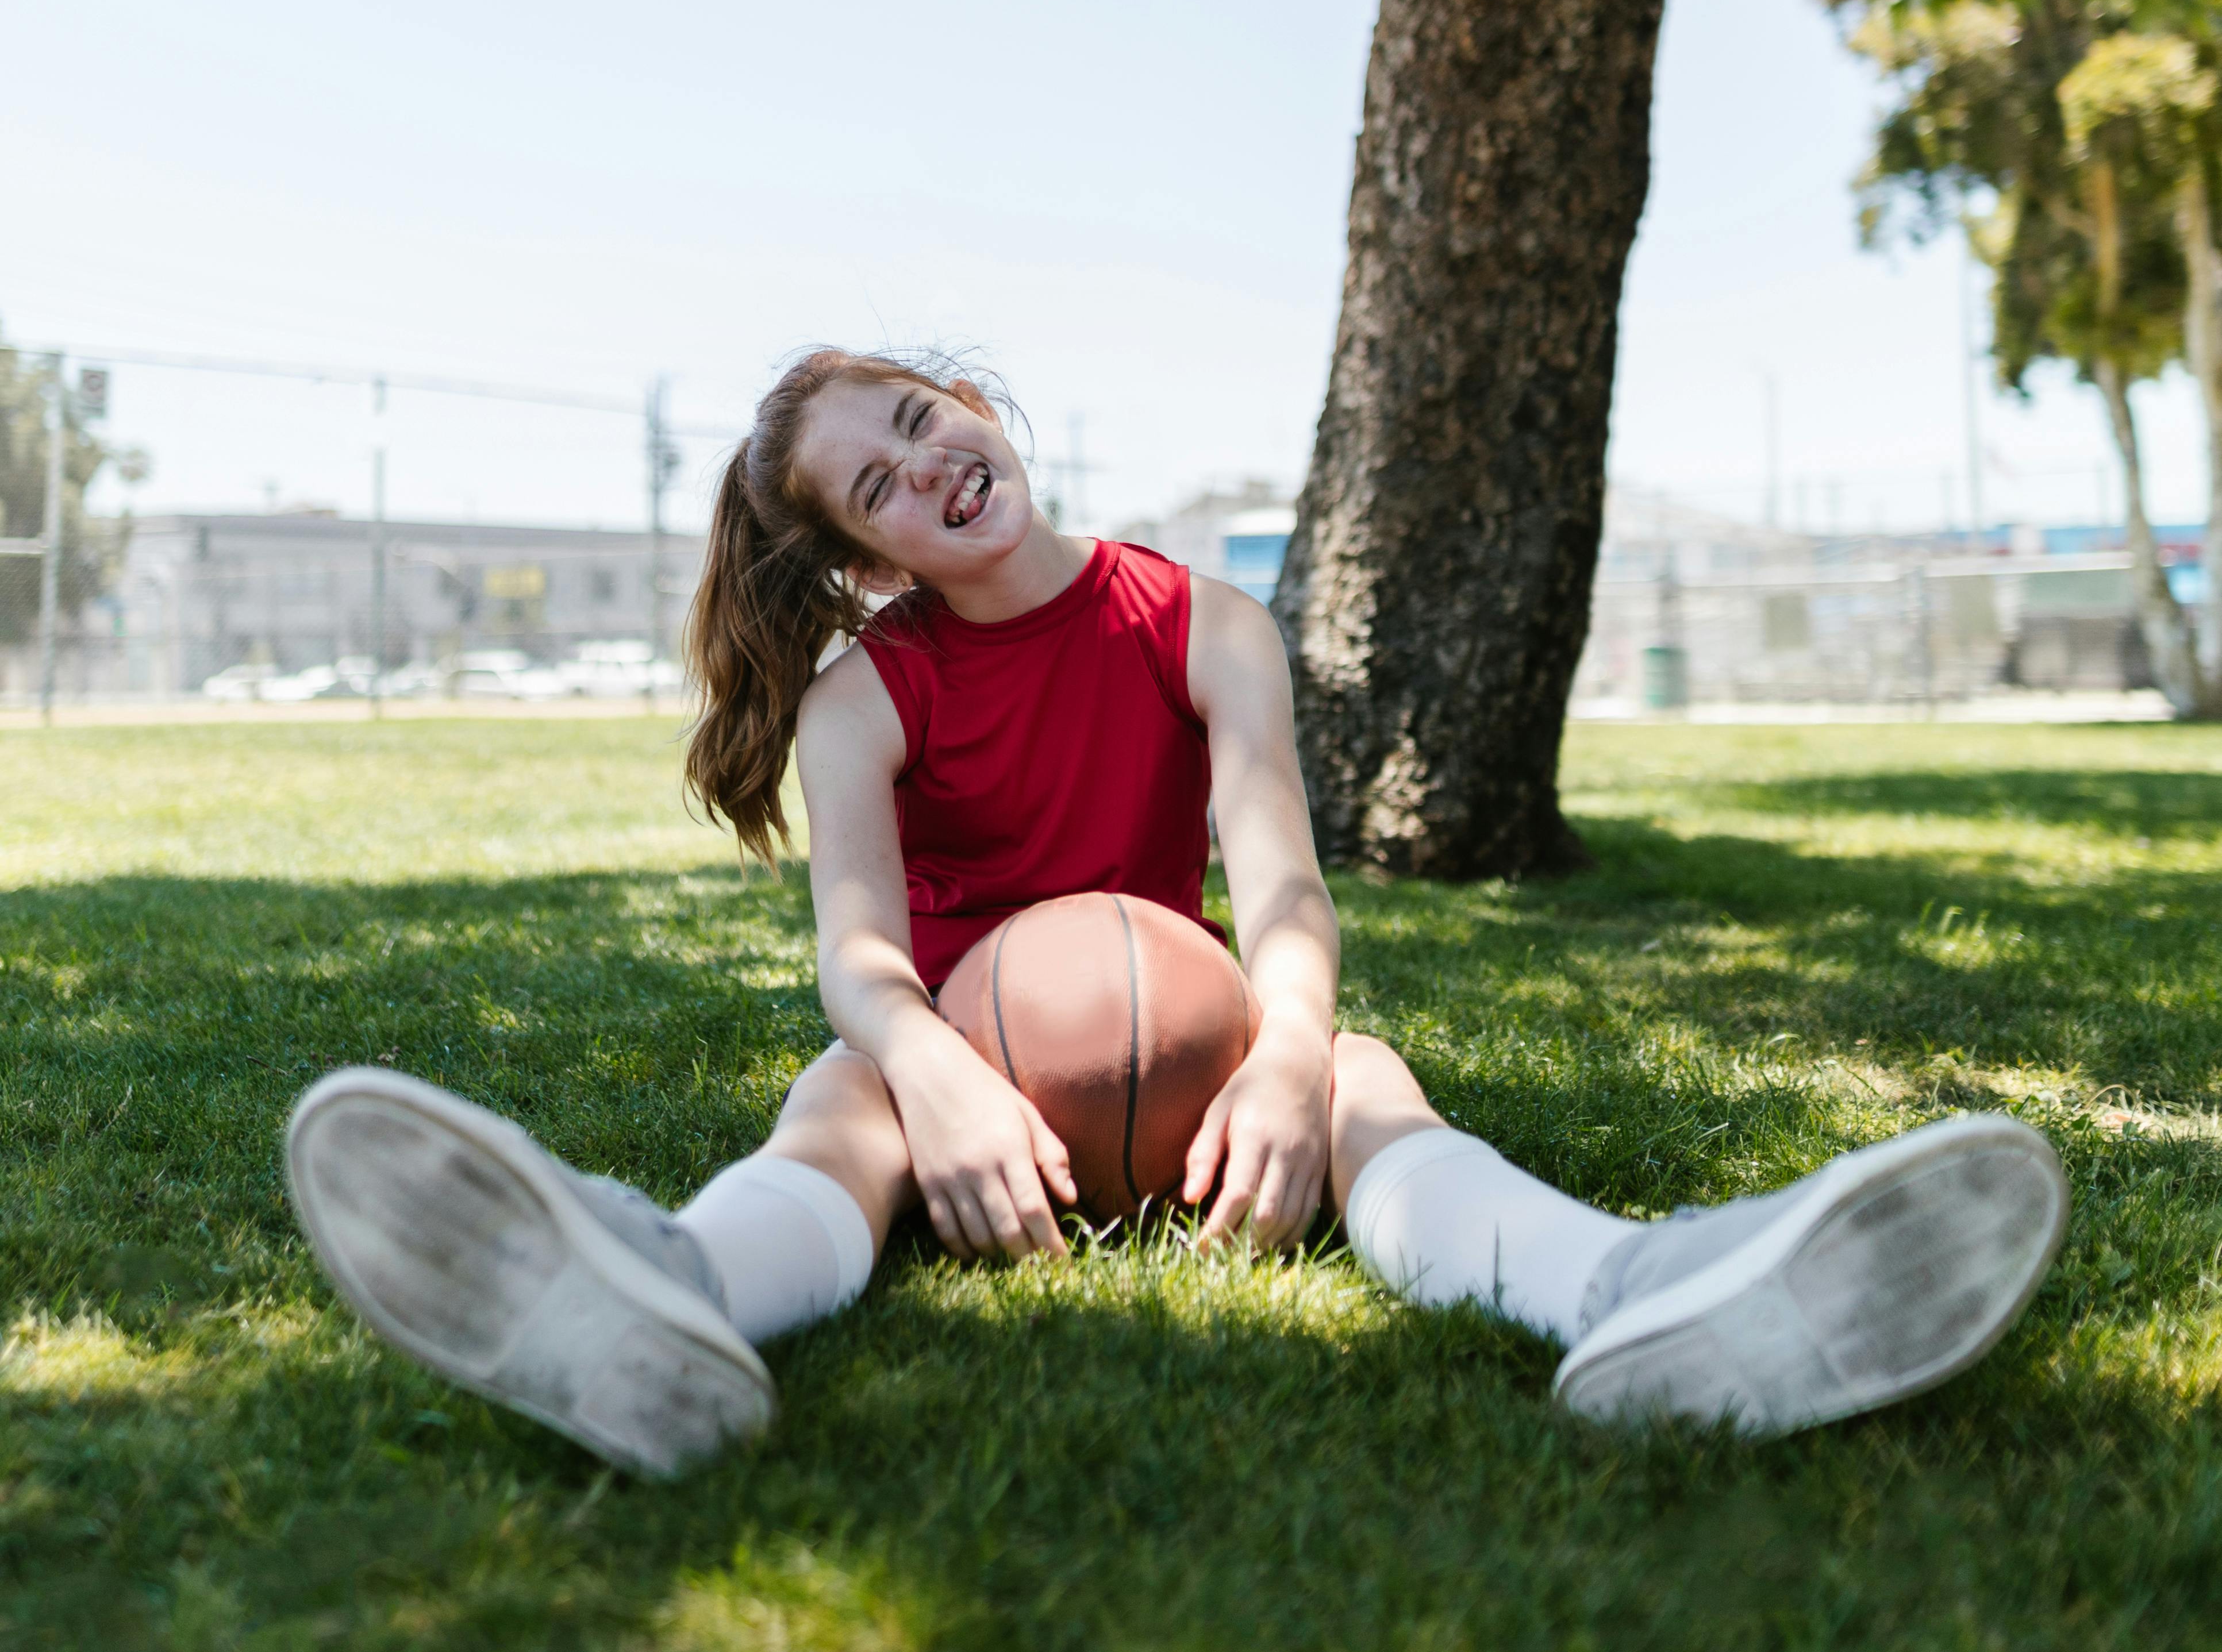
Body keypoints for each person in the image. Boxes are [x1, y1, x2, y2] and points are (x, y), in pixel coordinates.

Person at [286, 349, 2070, 1477]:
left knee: (1363, 1065)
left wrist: (1288, 1054)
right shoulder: (863, 694)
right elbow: (856, 959)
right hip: (967, 1095)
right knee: (842, 1094)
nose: (930, 473)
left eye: (923, 424)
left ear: (972, 400)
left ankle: (1635, 1291)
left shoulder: (1200, 621)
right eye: (880, 489)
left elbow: (1279, 879)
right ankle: (671, 1296)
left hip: (1200, 1087)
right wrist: (940, 1077)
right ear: (865, 558)